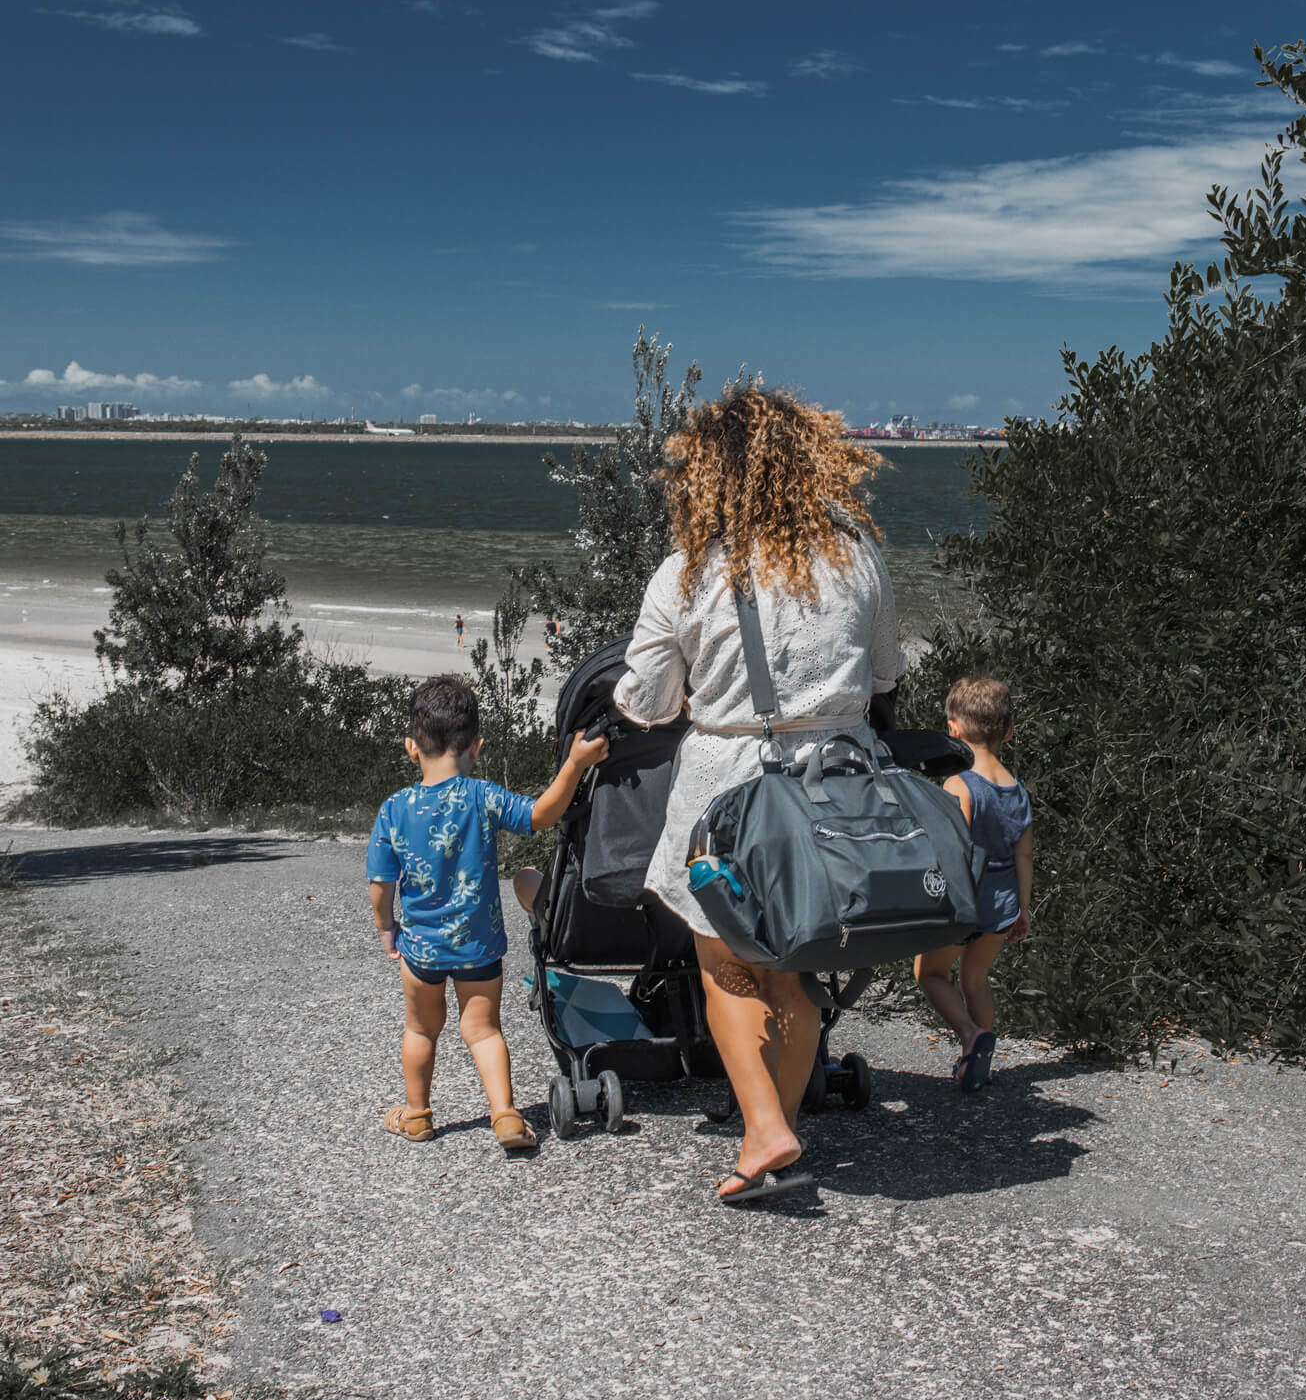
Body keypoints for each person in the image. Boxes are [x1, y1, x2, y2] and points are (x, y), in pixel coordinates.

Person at [613, 387, 905, 1204]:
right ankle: (774, 1125)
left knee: (727, 963)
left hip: (733, 787)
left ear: (707, 472)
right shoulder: (855, 553)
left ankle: (765, 1130)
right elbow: (885, 673)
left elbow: (646, 702)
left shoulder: (689, 570)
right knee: (800, 964)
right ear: (812, 461)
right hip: (841, 785)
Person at [367, 674, 608, 1147]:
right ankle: (506, 1116)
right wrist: (576, 764)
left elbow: (381, 883)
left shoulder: (394, 809)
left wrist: (387, 928)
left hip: (421, 949)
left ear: (411, 748)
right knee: (483, 1030)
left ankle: (417, 1115)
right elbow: (541, 815)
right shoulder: (483, 796)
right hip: (478, 946)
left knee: (420, 1028)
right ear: (475, 748)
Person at [913, 674, 1032, 1092]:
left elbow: (953, 848)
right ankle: (978, 1063)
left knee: (929, 974)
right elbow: (1024, 853)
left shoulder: (958, 783)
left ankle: (970, 1034)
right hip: (1001, 902)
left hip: (963, 901)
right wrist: (1023, 906)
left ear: (954, 730)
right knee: (976, 979)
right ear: (1009, 730)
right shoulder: (1017, 790)